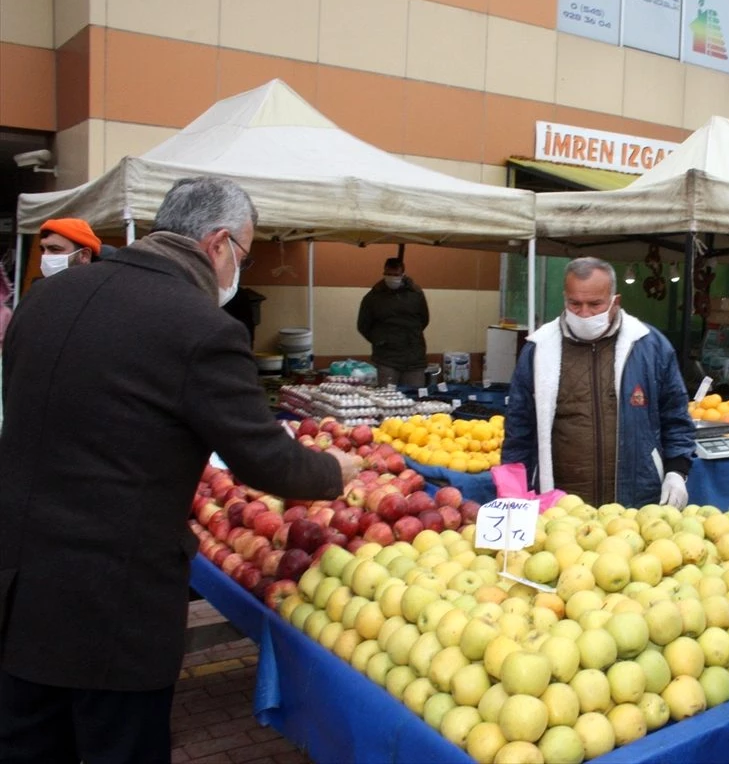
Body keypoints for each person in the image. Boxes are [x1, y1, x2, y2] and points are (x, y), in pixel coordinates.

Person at [0, 176, 359, 763]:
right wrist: (334, 471)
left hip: (21, 597)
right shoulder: (202, 328)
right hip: (114, 610)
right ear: (218, 244)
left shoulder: (44, 300)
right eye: (242, 254)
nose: (236, 270)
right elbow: (263, 459)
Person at [502, 257, 694, 508]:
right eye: (574, 304)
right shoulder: (539, 350)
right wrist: (514, 492)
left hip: (638, 503)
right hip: (561, 508)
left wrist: (677, 472)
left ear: (615, 301)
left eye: (594, 304)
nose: (584, 313)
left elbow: (675, 417)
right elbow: (519, 429)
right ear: (565, 298)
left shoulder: (650, 346)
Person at [357, 257, 430, 387]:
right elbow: (363, 325)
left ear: (403, 274)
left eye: (395, 275)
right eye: (388, 274)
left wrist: (411, 335)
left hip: (414, 358)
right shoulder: (373, 297)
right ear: (384, 273)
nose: (392, 278)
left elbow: (424, 319)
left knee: (414, 398)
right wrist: (380, 340)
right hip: (386, 358)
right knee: (387, 399)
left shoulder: (416, 293)